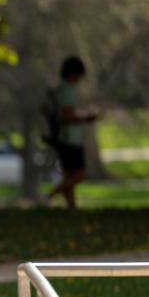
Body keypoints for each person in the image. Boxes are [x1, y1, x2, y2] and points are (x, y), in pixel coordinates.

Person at [47, 56, 98, 209]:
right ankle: (49, 196)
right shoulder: (66, 91)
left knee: (69, 175)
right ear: (74, 73)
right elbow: (67, 116)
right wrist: (87, 118)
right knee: (79, 175)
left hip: (62, 137)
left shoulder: (59, 90)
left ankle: (72, 207)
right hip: (69, 138)